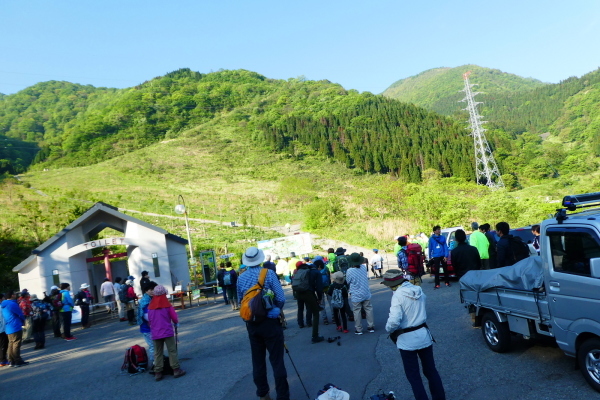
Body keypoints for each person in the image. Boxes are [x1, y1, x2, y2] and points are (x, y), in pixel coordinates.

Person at [383, 269, 446, 400]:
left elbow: (394, 321)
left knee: (413, 375)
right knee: (431, 371)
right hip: (423, 334)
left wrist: (388, 329)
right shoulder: (418, 290)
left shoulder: (397, 295)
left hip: (407, 340)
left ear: (393, 284)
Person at [237, 246, 289, 400]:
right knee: (277, 361)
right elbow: (280, 298)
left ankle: (263, 394)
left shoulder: (241, 278)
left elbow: (241, 300)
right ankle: (283, 396)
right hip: (270, 322)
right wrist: (276, 309)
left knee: (258, 361)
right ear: (259, 258)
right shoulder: (269, 274)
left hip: (252, 324)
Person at [148, 284, 186, 380]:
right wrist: (176, 323)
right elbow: (174, 317)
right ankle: (176, 369)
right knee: (172, 350)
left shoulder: (151, 307)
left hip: (155, 333)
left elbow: (149, 320)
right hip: (167, 331)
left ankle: (158, 372)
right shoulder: (167, 305)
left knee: (157, 352)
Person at [345, 252, 375, 335]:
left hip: (356, 294)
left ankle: (359, 329)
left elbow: (348, 281)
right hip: (365, 292)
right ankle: (371, 326)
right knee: (368, 309)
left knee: (357, 311)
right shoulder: (363, 267)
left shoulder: (349, 271)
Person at [1, 290, 29, 367]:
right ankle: (17, 360)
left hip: (8, 326)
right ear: (12, 295)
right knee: (16, 343)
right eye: (14, 294)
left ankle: (11, 360)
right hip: (15, 325)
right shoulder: (12, 304)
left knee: (11, 344)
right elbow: (20, 313)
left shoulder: (3, 304)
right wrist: (23, 320)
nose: (15, 295)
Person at [138, 280, 158, 373]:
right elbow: (147, 316)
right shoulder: (145, 301)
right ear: (146, 290)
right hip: (147, 328)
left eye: (154, 289)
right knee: (153, 346)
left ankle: (157, 361)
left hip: (151, 327)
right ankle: (155, 363)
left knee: (155, 345)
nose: (152, 291)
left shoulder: (151, 298)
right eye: (150, 289)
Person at [315, 258, 332, 325]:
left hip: (320, 289)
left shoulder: (316, 272)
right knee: (331, 303)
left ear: (319, 266)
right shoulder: (326, 269)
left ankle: (325, 319)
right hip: (327, 287)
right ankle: (334, 317)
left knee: (322, 304)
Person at [0, 293, 9, 366]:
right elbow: (2, 318)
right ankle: (3, 360)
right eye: (3, 298)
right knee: (3, 344)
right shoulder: (1, 307)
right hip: (1, 329)